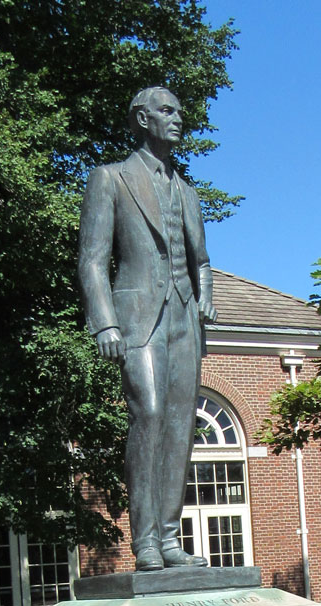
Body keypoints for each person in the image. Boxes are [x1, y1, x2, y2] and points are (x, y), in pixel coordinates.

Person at [78, 87, 218, 571]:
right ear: (141, 118)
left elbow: (201, 260)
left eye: (179, 111)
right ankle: (145, 543)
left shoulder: (188, 191)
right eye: (166, 111)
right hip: (137, 317)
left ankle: (170, 538)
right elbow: (93, 260)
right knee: (151, 414)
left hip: (184, 320)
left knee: (182, 426)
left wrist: (206, 297)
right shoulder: (110, 178)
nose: (178, 118)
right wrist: (104, 323)